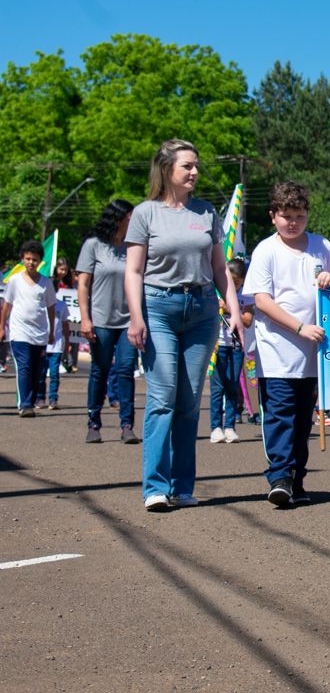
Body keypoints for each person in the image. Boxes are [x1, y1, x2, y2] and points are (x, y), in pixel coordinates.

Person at [125, 139, 243, 511]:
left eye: (196, 166)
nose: (194, 172)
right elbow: (133, 270)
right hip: (158, 307)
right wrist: (136, 316)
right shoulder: (145, 213)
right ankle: (155, 488)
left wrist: (234, 310)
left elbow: (220, 268)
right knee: (162, 398)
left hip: (204, 310)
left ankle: (182, 486)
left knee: (190, 402)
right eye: (186, 166)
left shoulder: (207, 212)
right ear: (166, 170)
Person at [245, 180, 330, 507]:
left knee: (303, 421)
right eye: (286, 216)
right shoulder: (266, 250)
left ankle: (297, 480)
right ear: (273, 215)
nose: (293, 223)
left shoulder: (322, 246)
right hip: (277, 350)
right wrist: (300, 327)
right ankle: (280, 477)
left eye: (299, 216)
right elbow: (262, 300)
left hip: (314, 355)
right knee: (279, 416)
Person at [77, 199, 140, 444]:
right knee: (99, 371)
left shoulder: (134, 247)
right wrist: (85, 319)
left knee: (125, 371)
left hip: (128, 321)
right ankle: (94, 424)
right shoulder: (93, 246)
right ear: (118, 219)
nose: (134, 222)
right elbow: (83, 284)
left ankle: (127, 425)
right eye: (130, 218)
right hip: (100, 320)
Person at [1, 241, 57, 416]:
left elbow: (51, 309)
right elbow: (7, 306)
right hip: (19, 333)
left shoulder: (46, 283)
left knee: (37, 370)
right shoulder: (15, 280)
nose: (31, 262)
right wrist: (2, 327)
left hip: (39, 334)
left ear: (40, 261)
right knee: (23, 367)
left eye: (35, 259)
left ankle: (30, 401)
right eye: (28, 259)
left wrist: (51, 332)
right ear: (22, 259)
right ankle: (24, 404)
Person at [209, 258, 254, 444]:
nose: (234, 286)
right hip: (217, 345)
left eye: (237, 283)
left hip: (236, 346)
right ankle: (216, 427)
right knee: (217, 388)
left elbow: (248, 320)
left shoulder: (247, 295)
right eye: (231, 282)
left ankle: (230, 427)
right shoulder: (215, 292)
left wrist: (228, 308)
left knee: (232, 386)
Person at [37, 294, 69, 409]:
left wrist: (67, 342)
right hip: (42, 344)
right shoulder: (41, 305)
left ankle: (53, 398)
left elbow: (65, 324)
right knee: (41, 373)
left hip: (56, 345)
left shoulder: (62, 305)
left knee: (54, 373)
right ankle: (40, 397)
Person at [52, 258, 79, 373]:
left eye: (66, 270)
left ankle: (69, 363)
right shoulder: (51, 282)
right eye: (61, 269)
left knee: (72, 340)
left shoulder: (69, 284)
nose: (63, 272)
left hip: (70, 316)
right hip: (57, 315)